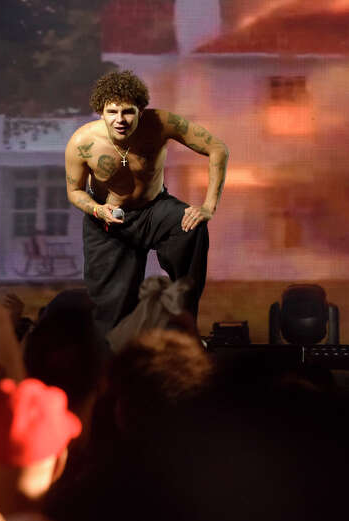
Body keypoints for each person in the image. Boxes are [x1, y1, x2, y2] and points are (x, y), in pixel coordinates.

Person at [64, 69, 228, 335]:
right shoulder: (82, 143)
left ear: (141, 110)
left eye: (128, 111)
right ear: (101, 112)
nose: (120, 120)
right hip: (108, 218)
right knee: (110, 308)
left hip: (154, 210)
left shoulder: (161, 123)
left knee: (190, 226)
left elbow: (217, 149)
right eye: (112, 112)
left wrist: (208, 207)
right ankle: (111, 359)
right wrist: (97, 210)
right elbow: (74, 191)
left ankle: (183, 332)